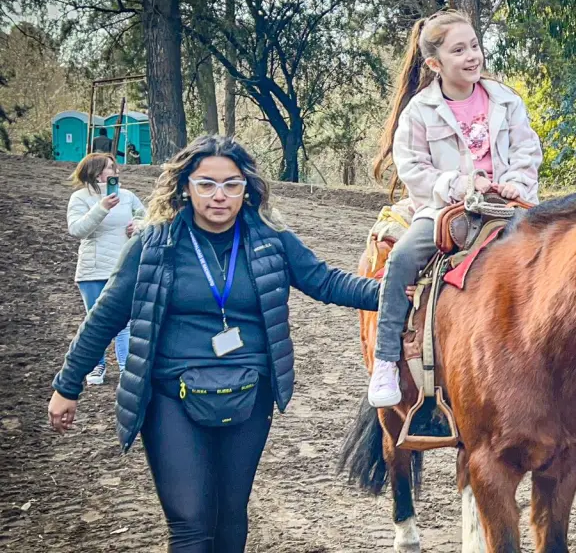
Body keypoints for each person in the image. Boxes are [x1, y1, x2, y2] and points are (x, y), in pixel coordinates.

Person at [47, 135, 380, 551]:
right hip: (170, 396)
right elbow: (105, 317)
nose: (219, 196)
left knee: (229, 512)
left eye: (231, 184)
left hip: (248, 391)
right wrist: (67, 385)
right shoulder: (153, 244)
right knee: (190, 520)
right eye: (206, 184)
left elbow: (326, 281)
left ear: (247, 188)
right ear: (185, 186)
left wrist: (391, 293)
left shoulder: (268, 239)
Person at [365, 9, 542, 407]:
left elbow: (527, 149)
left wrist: (516, 180)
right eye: (458, 50)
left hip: (508, 205)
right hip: (447, 208)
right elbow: (413, 169)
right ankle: (386, 360)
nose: (471, 56)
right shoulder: (419, 112)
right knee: (402, 259)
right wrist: (460, 185)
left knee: (556, 254)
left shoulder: (505, 100)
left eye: (474, 46)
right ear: (434, 63)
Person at [67, 153, 145, 384]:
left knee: (125, 321)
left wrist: (139, 226)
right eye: (110, 168)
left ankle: (125, 368)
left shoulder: (128, 196)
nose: (115, 171)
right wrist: (101, 207)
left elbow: (147, 217)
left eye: (115, 167)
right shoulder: (80, 198)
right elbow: (77, 230)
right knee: (95, 320)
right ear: (96, 172)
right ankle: (96, 366)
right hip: (93, 270)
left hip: (123, 268)